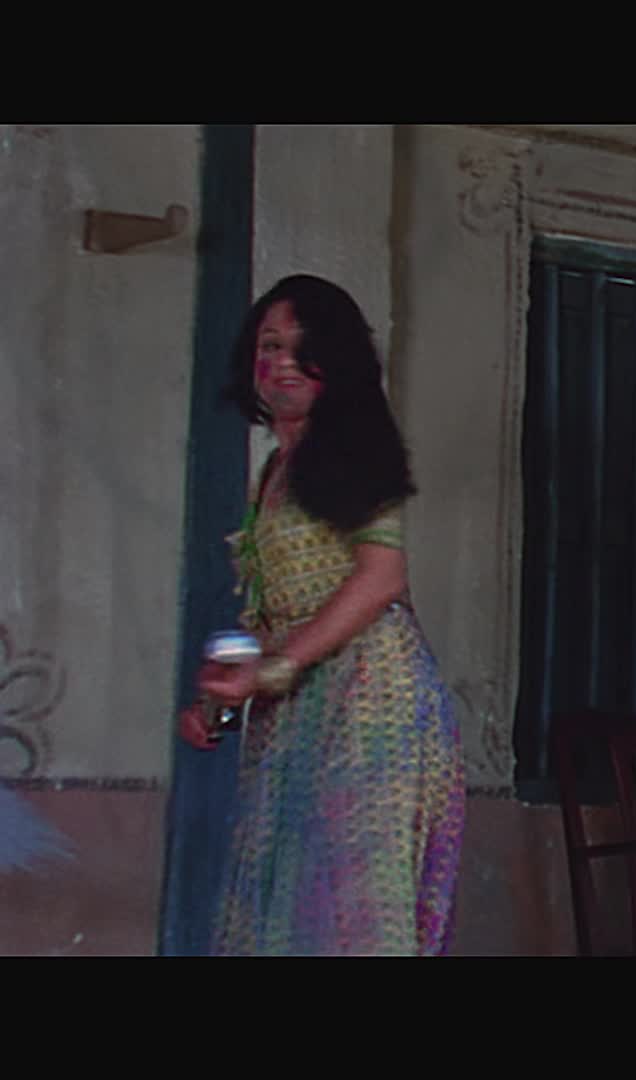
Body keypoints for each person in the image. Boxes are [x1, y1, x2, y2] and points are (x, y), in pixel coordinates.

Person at [177, 274, 465, 955]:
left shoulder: (354, 445)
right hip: (300, 705)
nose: (282, 362)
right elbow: (275, 609)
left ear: (334, 364)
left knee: (350, 916)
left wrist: (274, 670)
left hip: (371, 703)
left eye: (302, 349)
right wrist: (220, 700)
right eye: (269, 346)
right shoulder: (274, 471)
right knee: (280, 912)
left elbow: (382, 577)